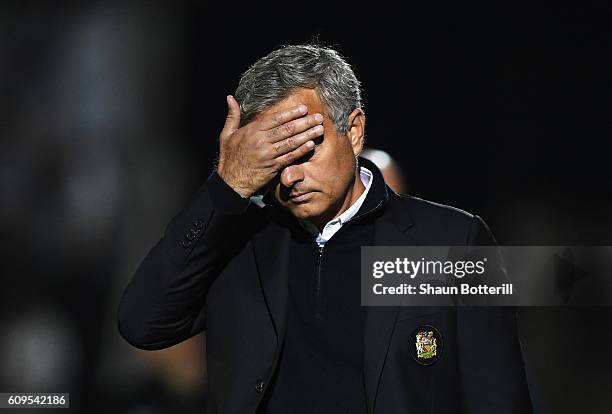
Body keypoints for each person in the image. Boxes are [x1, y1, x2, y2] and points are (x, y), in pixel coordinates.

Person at [117, 44, 533, 413]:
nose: (291, 176)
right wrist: (227, 186)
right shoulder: (238, 239)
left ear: (353, 132)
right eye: (275, 158)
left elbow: (497, 397)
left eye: (305, 149)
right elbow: (143, 322)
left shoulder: (452, 241)